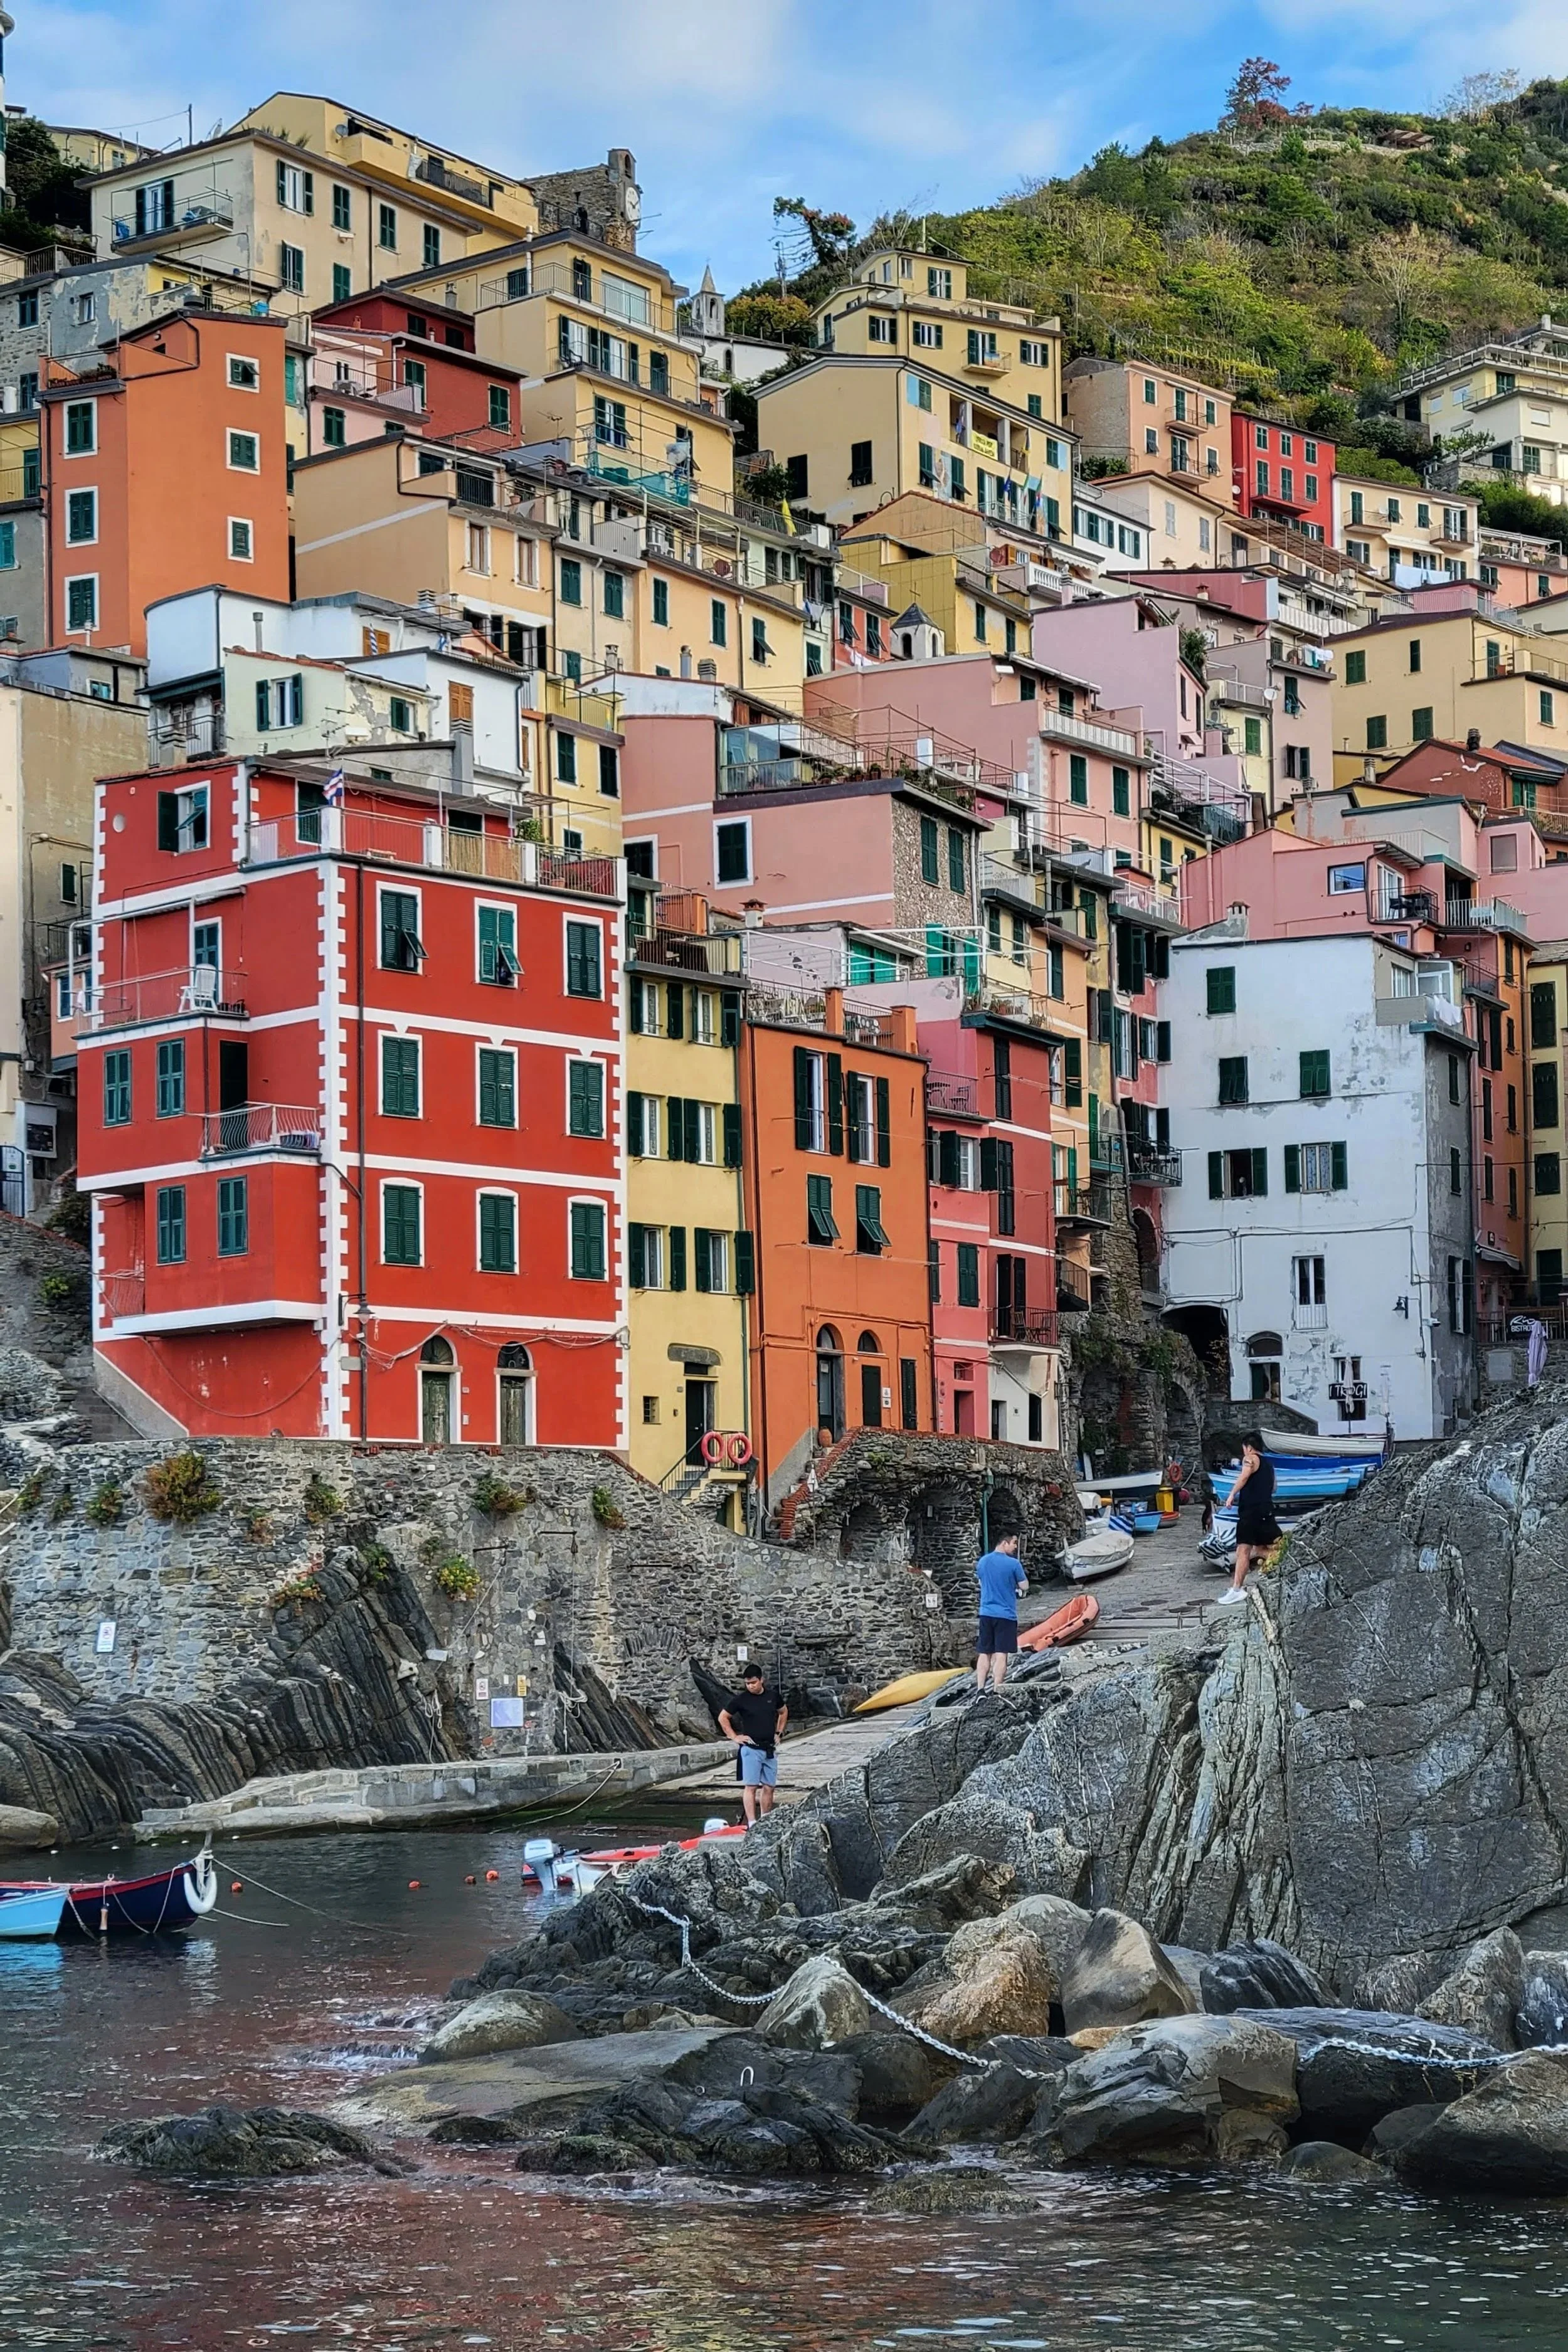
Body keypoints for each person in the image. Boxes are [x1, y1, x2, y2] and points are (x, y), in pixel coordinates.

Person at [718, 1662, 788, 1825]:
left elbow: (783, 1711)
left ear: (761, 1680)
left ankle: (765, 1819)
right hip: (751, 1748)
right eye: (748, 1683)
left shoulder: (773, 1697)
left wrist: (779, 1732)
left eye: (754, 1683)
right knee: (751, 1786)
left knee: (769, 1786)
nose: (751, 1686)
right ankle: (752, 1822)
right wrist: (734, 1737)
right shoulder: (741, 1700)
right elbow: (723, 1717)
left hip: (769, 1748)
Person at [1221, 1434, 1281, 1604]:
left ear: (1248, 1447)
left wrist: (1232, 1494)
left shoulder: (1250, 1459)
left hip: (1251, 1512)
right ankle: (1236, 1588)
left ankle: (1237, 1590)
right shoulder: (1270, 1465)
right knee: (1259, 1549)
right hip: (1265, 1509)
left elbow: (1245, 1476)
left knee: (1244, 1550)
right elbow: (1274, 1488)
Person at [973, 1532, 1029, 1689]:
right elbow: (1025, 1586)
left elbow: (981, 1582)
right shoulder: (1014, 1564)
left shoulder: (982, 1562)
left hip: (986, 1613)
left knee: (984, 1653)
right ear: (1004, 1543)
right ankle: (998, 1689)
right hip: (1006, 1615)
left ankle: (980, 1689)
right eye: (1014, 1543)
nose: (1015, 1546)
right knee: (1001, 1654)